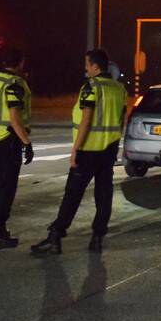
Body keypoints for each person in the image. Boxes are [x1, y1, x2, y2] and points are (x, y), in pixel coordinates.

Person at [31, 49, 128, 255]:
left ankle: (55, 236)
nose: (85, 68)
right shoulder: (119, 89)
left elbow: (86, 119)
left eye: (87, 64)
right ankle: (97, 238)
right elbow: (121, 119)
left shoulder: (91, 87)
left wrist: (75, 149)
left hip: (88, 150)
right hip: (108, 150)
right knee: (104, 194)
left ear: (95, 66)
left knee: (72, 195)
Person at [0, 47, 33, 248]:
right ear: (20, 63)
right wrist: (27, 143)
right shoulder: (15, 84)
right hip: (9, 140)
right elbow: (14, 117)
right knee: (7, 187)